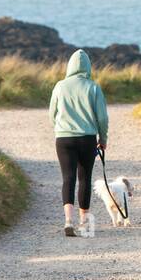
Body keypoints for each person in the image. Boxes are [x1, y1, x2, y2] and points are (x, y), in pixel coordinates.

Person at [48, 49, 109, 237]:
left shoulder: (60, 86)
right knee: (84, 178)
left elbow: (52, 114)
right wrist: (103, 139)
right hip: (87, 138)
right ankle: (83, 222)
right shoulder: (93, 87)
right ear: (88, 67)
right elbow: (102, 118)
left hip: (64, 138)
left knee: (68, 178)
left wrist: (59, 130)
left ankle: (68, 221)